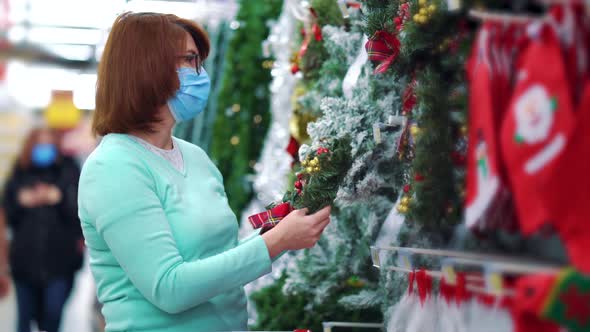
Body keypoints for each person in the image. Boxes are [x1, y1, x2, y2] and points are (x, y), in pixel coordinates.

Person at [78, 12, 331, 332]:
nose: (199, 74)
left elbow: (218, 258)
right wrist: (275, 243)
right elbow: (168, 288)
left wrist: (273, 228)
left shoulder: (194, 157)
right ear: (146, 67)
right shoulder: (113, 167)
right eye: (189, 60)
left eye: (197, 62)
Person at [1, 126, 84, 332]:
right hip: (23, 261)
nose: (44, 148)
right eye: (39, 143)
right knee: (24, 319)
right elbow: (6, 213)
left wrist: (59, 197)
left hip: (60, 261)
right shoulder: (20, 171)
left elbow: (80, 214)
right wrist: (21, 201)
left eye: (49, 143)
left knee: (53, 314)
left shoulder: (69, 170)